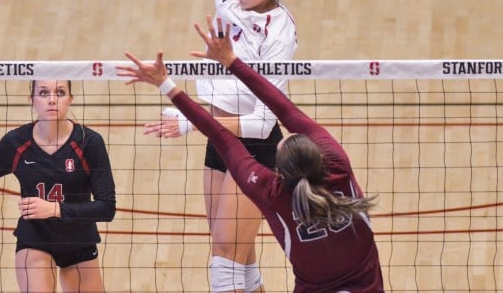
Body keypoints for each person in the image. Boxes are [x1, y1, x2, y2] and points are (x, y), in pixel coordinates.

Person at [136, 0, 352, 293]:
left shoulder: (279, 34)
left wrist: (190, 121)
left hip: (253, 148)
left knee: (224, 264)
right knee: (240, 259)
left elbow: (262, 123)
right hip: (218, 141)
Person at [117, 15, 384, 293]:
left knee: (226, 266)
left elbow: (224, 137)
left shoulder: (273, 193)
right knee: (236, 262)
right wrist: (231, 62)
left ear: (280, 174)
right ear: (318, 154)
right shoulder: (337, 165)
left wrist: (167, 85)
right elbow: (284, 109)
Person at [0, 80, 117, 293]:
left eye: (60, 93)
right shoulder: (16, 143)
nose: (52, 99)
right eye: (43, 93)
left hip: (80, 241)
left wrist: (54, 209)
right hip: (35, 240)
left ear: (70, 99)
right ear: (32, 100)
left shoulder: (88, 142)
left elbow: (107, 208)